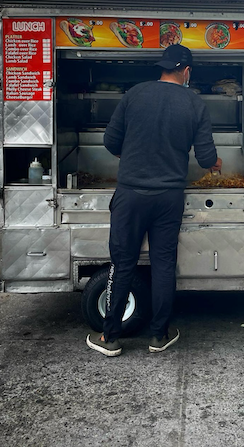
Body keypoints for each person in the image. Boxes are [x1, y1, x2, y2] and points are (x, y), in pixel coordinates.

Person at [86, 45, 221, 357]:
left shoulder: (135, 94)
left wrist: (130, 156)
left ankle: (110, 338)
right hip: (168, 198)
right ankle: (158, 336)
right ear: (186, 72)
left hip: (131, 195)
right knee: (163, 265)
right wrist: (214, 164)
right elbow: (205, 158)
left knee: (122, 264)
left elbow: (110, 141)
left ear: (163, 68)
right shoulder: (193, 102)